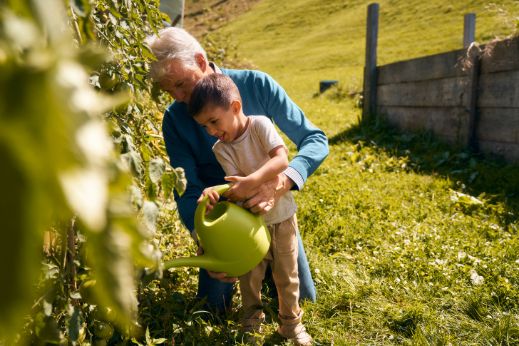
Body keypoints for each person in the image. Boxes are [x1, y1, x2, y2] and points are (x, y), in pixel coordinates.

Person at [145, 27, 328, 313]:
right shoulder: (174, 119)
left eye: (182, 84)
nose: (178, 97)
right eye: (169, 90)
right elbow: (187, 187)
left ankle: (268, 265)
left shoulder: (257, 85)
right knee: (213, 308)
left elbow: (315, 140)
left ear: (201, 62)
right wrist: (204, 238)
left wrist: (281, 183)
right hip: (224, 225)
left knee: (304, 298)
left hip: (273, 212)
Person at [190, 73, 313, 345]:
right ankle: (251, 320)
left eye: (214, 121)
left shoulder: (260, 125)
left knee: (286, 274)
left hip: (281, 217)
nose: (211, 130)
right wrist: (215, 195)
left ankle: (291, 324)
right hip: (249, 225)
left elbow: (281, 160)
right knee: (249, 276)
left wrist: (254, 181)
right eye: (204, 126)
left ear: (235, 107)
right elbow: (236, 188)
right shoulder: (220, 149)